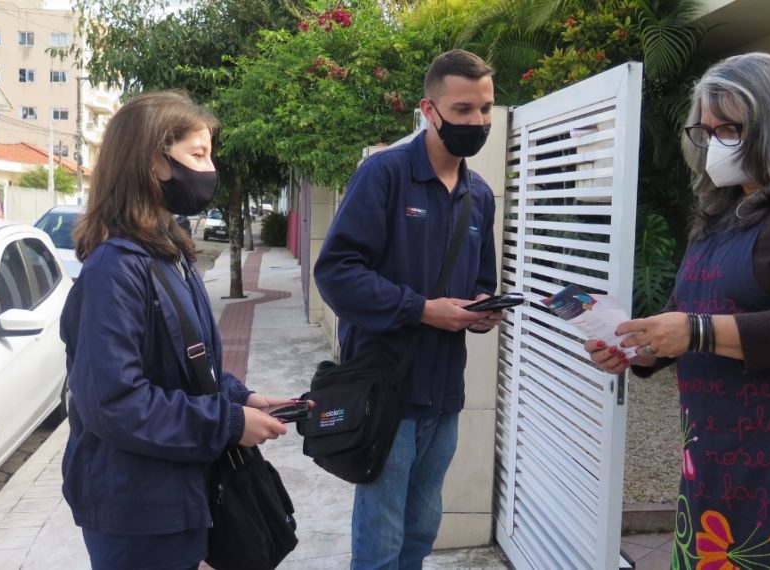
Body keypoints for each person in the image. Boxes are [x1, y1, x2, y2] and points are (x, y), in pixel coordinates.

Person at [584, 53, 770, 569]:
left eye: (731, 128)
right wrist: (637, 348)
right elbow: (689, 309)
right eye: (705, 130)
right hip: (719, 447)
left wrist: (696, 333)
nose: (715, 143)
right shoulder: (720, 210)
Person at [59, 91, 293, 570]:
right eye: (197, 155)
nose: (210, 170)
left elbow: (186, 367)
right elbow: (114, 402)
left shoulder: (168, 252)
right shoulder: (115, 268)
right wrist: (228, 423)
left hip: (176, 495)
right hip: (136, 508)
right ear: (153, 163)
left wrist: (239, 399)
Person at [313, 49, 504, 569]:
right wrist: (422, 309)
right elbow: (336, 273)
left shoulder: (478, 196)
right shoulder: (385, 175)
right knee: (381, 538)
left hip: (443, 397)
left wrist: (484, 308)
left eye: (485, 109)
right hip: (385, 390)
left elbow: (481, 281)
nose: (478, 122)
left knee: (421, 530)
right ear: (430, 109)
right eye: (463, 110)